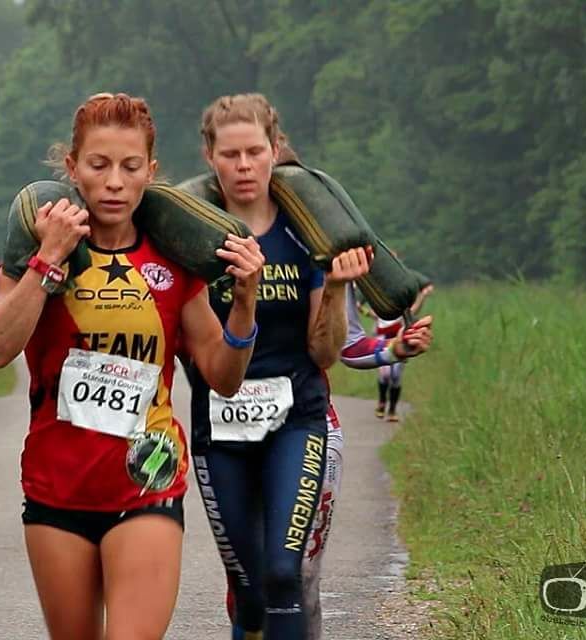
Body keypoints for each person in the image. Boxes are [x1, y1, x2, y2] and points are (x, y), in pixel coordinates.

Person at [0, 92, 264, 640]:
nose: (114, 182)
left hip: (147, 480)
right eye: (99, 165)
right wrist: (48, 258)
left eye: (130, 167)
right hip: (56, 489)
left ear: (150, 174)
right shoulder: (36, 252)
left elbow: (223, 378)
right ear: (72, 169)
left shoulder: (173, 263)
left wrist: (246, 303)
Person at [189, 93, 434, 639]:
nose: (244, 165)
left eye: (255, 151)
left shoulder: (308, 233)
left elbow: (327, 352)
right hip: (220, 430)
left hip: (298, 421)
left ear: (276, 150)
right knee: (248, 589)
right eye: (231, 154)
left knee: (285, 574)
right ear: (210, 155)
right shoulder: (194, 239)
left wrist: (339, 286)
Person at [358, 281, 434, 421]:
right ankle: (382, 403)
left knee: (396, 377)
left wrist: (423, 295)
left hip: (398, 341)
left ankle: (392, 410)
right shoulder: (379, 310)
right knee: (384, 375)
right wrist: (360, 308)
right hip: (381, 342)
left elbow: (414, 309)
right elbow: (367, 312)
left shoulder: (401, 310)